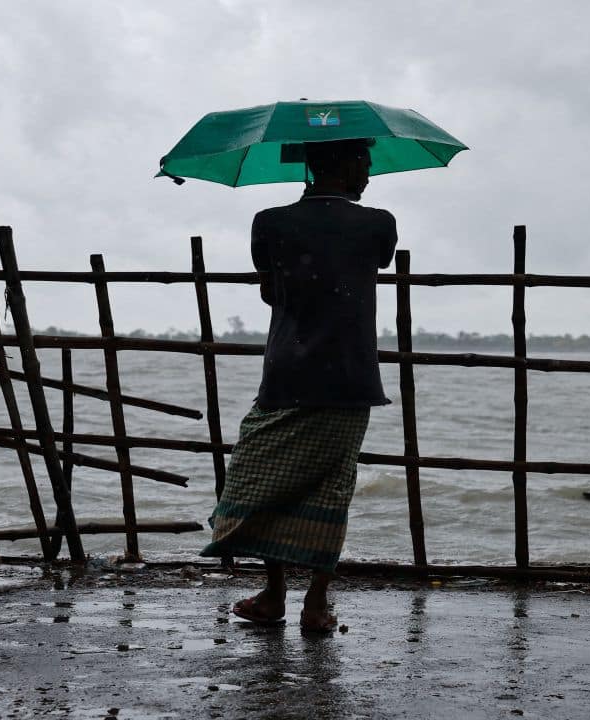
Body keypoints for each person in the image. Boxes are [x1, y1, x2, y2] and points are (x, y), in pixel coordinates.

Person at [200, 138, 396, 633]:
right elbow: (375, 263)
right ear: (346, 163)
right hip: (350, 378)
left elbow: (269, 290)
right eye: (364, 163)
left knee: (260, 482)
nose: (368, 174)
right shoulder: (378, 223)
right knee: (332, 489)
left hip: (287, 373)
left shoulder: (270, 222)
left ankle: (274, 594)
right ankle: (316, 602)